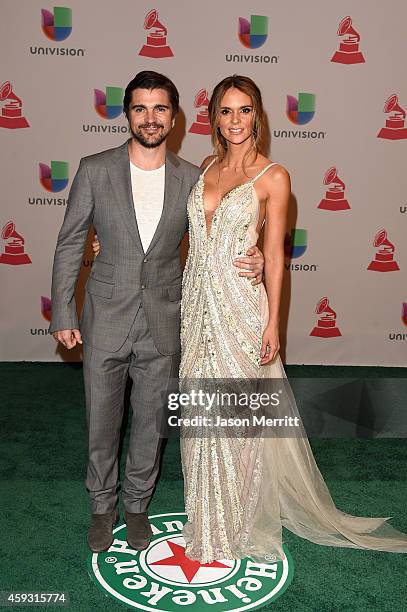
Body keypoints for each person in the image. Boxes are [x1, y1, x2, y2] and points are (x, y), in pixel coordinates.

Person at [178, 75, 407, 563]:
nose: (234, 120)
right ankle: (207, 515)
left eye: (244, 110)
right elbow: (191, 240)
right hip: (197, 307)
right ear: (213, 117)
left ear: (257, 115)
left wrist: (271, 326)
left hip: (241, 307)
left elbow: (277, 257)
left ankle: (236, 520)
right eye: (225, 111)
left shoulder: (273, 176)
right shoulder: (204, 166)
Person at [49, 71, 264, 554]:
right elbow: (69, 244)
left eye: (160, 108)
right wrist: (63, 309)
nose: (151, 118)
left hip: (166, 320)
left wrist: (260, 255)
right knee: (101, 421)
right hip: (104, 316)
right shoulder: (94, 169)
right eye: (141, 108)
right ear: (127, 114)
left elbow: (224, 235)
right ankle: (102, 508)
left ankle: (137, 506)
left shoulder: (194, 177)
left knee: (151, 423)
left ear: (175, 116)